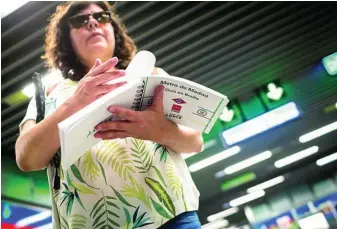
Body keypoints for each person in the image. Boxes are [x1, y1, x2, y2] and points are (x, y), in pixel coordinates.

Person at [15, 1, 203, 228]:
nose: (93, 23)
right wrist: (75, 102)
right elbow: (26, 158)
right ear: (67, 39)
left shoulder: (152, 76)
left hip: (172, 217)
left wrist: (159, 130)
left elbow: (195, 142)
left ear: (113, 29)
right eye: (80, 21)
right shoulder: (49, 94)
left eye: (102, 17)